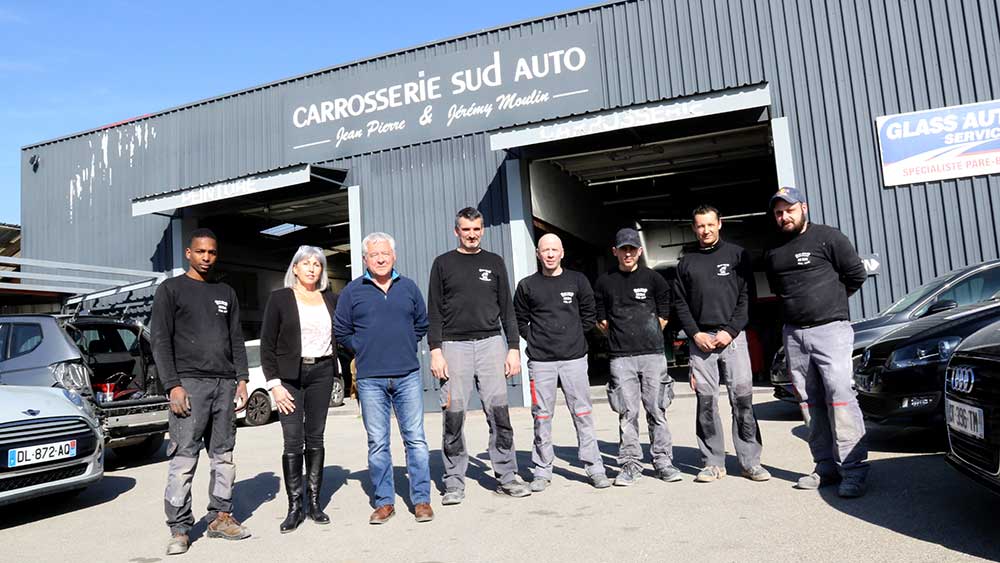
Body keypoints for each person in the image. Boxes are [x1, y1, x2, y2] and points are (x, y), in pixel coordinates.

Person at [763, 186, 869, 498]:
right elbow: (779, 290)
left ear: (803, 208)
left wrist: (830, 304)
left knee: (839, 395)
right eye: (779, 212)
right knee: (809, 402)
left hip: (831, 330)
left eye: (789, 210)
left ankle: (854, 469)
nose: (784, 216)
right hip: (795, 334)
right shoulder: (773, 251)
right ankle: (825, 466)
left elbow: (855, 276)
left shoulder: (829, 237)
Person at [151, 228, 251, 556]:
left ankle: (220, 516)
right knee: (183, 459)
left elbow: (235, 338)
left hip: (224, 384)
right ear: (188, 254)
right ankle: (179, 528)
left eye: (212, 252)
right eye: (201, 252)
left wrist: (241, 378)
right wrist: (173, 385)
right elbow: (160, 340)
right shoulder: (171, 290)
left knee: (224, 456)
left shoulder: (226, 292)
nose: (207, 258)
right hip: (189, 384)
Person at [428, 207, 531, 504]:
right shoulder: (443, 264)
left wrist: (513, 348)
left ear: (482, 229)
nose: (471, 235)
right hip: (453, 347)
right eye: (465, 229)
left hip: (490, 344)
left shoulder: (494, 262)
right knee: (454, 416)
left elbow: (507, 309)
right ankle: (454, 481)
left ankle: (508, 476)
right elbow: (433, 310)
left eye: (476, 229)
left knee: (499, 414)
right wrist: (436, 350)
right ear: (456, 230)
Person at [334, 232, 434, 525]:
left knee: (415, 439)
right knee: (378, 442)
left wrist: (402, 343)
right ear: (365, 259)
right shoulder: (353, 291)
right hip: (370, 379)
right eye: (374, 254)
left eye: (385, 253)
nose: (380, 258)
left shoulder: (409, 287)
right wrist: (365, 349)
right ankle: (384, 502)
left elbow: (421, 324)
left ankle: (422, 500)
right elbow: (341, 331)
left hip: (407, 375)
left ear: (394, 256)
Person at [673, 205, 769, 484]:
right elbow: (680, 303)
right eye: (700, 226)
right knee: (706, 402)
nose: (705, 230)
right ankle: (712, 462)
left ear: (720, 224)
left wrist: (730, 331)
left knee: (742, 400)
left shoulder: (737, 255)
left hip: (733, 339)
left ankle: (750, 461)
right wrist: (694, 334)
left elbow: (746, 297)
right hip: (700, 342)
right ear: (694, 228)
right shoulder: (686, 262)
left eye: (710, 225)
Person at [513, 233, 610, 491]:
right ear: (538, 253)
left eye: (555, 249)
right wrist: (534, 338)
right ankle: (543, 470)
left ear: (562, 253)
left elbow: (589, 314)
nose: (550, 254)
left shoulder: (577, 281)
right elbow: (520, 318)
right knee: (542, 416)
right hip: (541, 361)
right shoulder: (527, 286)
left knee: (583, 414)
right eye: (545, 250)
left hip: (574, 359)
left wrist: (574, 335)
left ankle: (594, 467)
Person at [259, 245, 338, 533]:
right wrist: (275, 385)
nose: (312, 268)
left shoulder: (330, 298)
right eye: (306, 263)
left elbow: (343, 333)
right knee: (293, 441)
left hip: (322, 372)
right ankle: (295, 507)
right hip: (289, 378)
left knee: (315, 438)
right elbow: (267, 344)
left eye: (317, 264)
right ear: (295, 268)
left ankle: (314, 503)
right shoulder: (280, 298)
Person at [594, 227, 680, 486]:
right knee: (627, 413)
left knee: (657, 410)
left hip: (653, 355)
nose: (628, 253)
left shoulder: (655, 280)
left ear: (639, 251)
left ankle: (663, 461)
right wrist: (622, 337)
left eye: (632, 249)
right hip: (621, 358)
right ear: (615, 252)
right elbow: (601, 318)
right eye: (623, 249)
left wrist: (651, 332)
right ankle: (630, 464)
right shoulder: (604, 282)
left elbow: (664, 312)